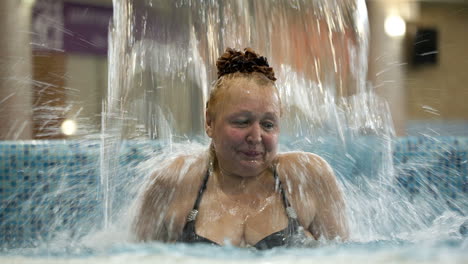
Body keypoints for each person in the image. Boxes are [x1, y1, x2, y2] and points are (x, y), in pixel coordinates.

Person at [134, 48, 348, 249]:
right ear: (209, 122)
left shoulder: (307, 178)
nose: (256, 138)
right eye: (242, 122)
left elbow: (345, 256)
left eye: (268, 124)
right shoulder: (172, 183)